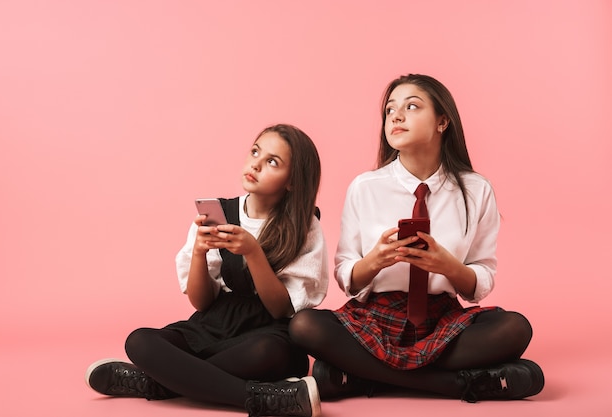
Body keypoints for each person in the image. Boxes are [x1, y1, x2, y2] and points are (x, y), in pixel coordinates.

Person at [289, 74, 544, 403]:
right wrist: (374, 261)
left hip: (442, 318)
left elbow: (481, 276)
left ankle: (358, 376)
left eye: (411, 106)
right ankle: (461, 385)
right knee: (304, 325)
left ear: (442, 121)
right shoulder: (364, 187)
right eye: (390, 110)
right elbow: (346, 273)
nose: (396, 116)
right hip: (375, 317)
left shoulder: (477, 189)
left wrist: (448, 266)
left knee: (515, 328)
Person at [86, 124, 328, 417]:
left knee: (268, 353)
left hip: (266, 331)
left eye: (272, 162)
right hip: (215, 324)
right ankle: (262, 399)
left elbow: (280, 309)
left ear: (292, 181)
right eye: (255, 152)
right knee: (139, 340)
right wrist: (199, 252)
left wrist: (253, 252)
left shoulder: (304, 224)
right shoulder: (217, 214)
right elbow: (201, 303)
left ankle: (155, 381)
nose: (255, 164)